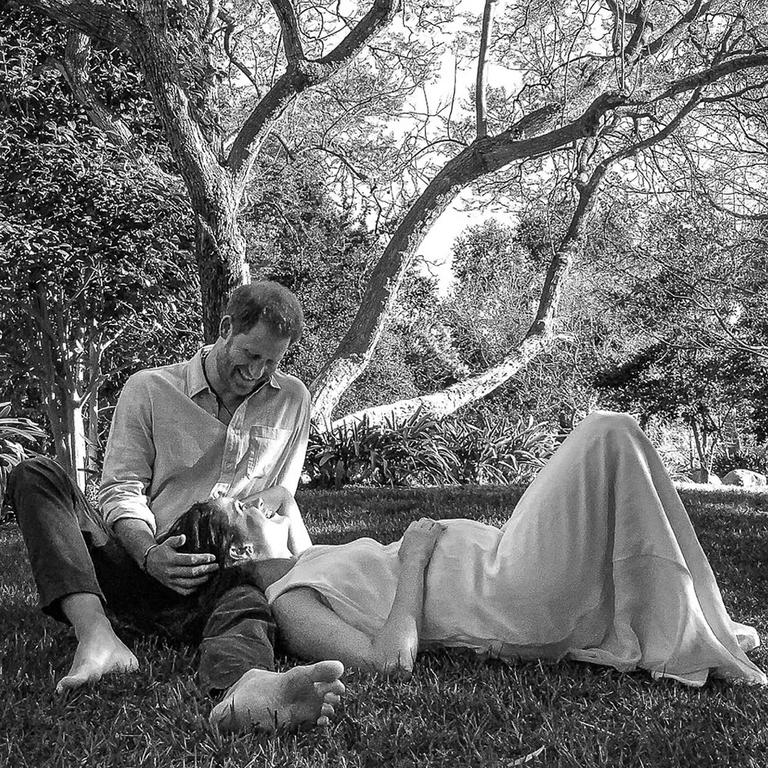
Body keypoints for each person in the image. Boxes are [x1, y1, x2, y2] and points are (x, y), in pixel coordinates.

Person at [184, 412, 767, 687]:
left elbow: (285, 502)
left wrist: (268, 506)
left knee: (615, 464)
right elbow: (388, 662)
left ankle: (692, 619)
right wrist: (412, 557)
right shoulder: (290, 603)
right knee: (607, 435)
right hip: (509, 593)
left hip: (505, 558)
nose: (257, 502)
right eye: (242, 508)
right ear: (236, 554)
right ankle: (694, 631)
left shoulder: (304, 561)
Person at [8, 281, 345, 733]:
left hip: (223, 576)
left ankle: (247, 686)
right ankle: (98, 636)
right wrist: (149, 554)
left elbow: (278, 500)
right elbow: (120, 490)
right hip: (140, 562)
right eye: (250, 354)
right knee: (37, 474)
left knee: (244, 605)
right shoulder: (149, 389)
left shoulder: (292, 398)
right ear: (225, 328)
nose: (258, 371)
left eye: (272, 362)